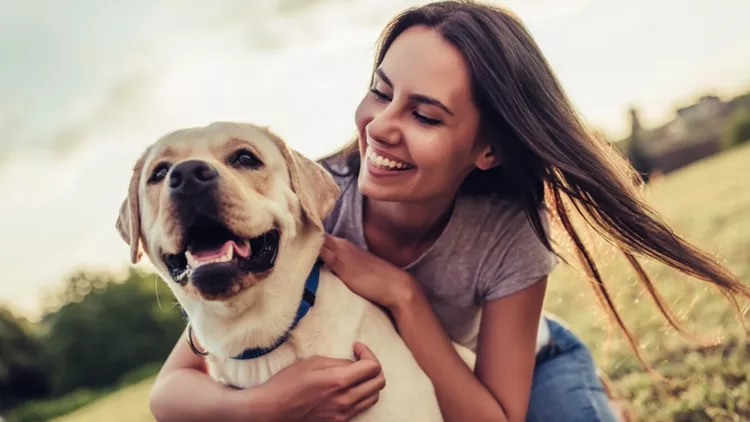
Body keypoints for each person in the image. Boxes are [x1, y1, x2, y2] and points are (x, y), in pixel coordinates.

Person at [148, 2, 749, 421]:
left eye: (426, 115)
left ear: (487, 149)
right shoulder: (306, 202)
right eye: (381, 92)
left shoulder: (509, 233)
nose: (381, 126)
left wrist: (403, 297)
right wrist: (265, 407)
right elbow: (172, 390)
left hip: (524, 366)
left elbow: (492, 417)